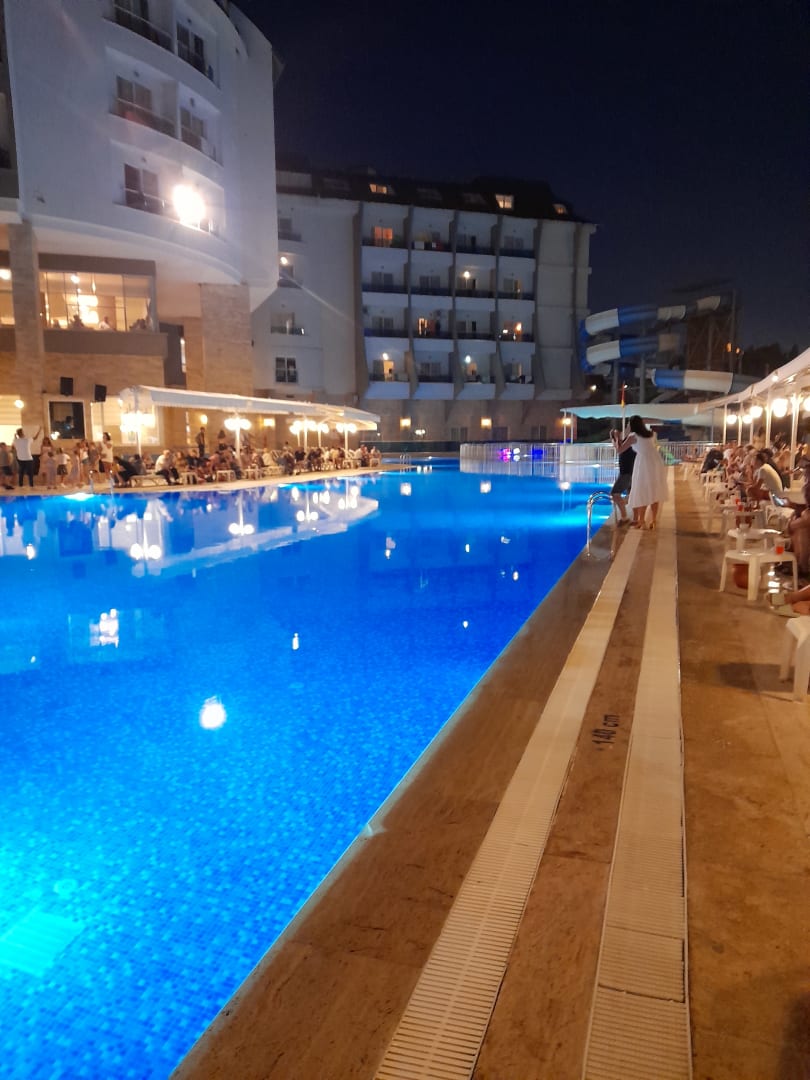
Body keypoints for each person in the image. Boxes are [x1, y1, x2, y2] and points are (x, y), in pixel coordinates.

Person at [614, 415, 669, 529]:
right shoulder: (651, 434)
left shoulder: (633, 436)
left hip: (643, 462)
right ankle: (653, 521)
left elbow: (620, 450)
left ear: (632, 425)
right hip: (656, 461)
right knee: (654, 491)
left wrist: (616, 438)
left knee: (642, 490)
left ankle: (641, 521)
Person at [609, 427, 634, 524]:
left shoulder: (628, 441)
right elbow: (617, 448)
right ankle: (632, 517)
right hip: (627, 472)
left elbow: (619, 450)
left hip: (627, 473)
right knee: (630, 495)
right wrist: (615, 438)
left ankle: (624, 517)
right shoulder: (623, 443)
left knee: (615, 493)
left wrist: (616, 437)